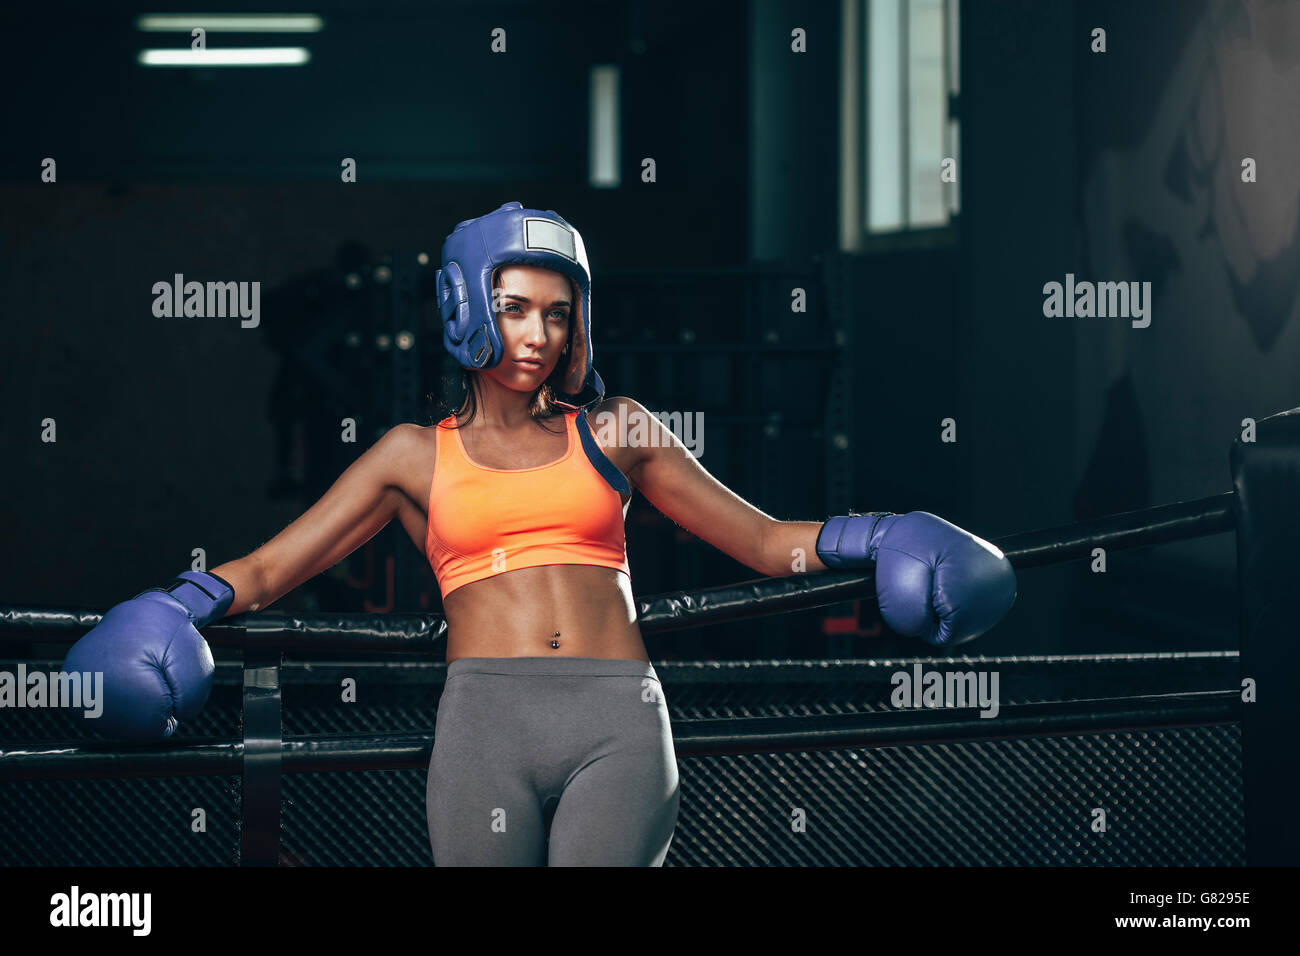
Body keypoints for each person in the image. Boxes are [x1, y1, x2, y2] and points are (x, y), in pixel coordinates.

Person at [61, 202, 1017, 866]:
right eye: (515, 307)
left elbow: (766, 542)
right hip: (483, 722)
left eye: (558, 314)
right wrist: (172, 605)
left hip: (618, 719)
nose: (538, 335)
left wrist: (883, 534)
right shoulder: (410, 456)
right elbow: (273, 566)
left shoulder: (620, 427)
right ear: (468, 308)